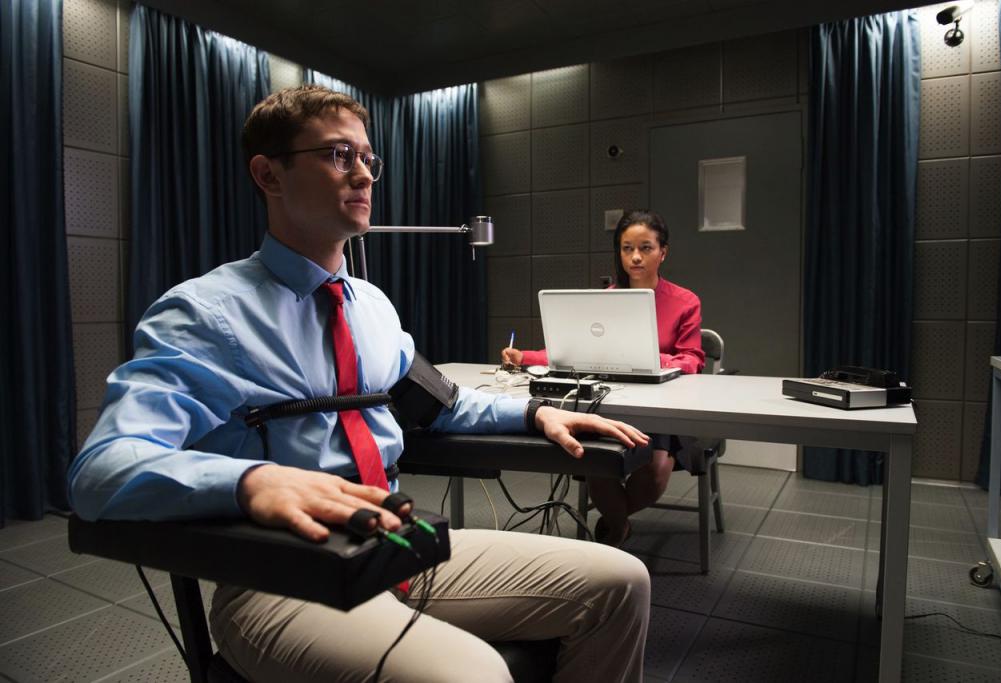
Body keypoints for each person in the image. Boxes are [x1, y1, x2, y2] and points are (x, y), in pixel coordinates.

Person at [67, 85, 652, 683]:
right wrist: (249, 482)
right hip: (280, 577)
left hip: (394, 546)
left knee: (621, 582)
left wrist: (535, 414)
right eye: (338, 155)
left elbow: (441, 403)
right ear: (269, 174)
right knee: (472, 676)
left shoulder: (372, 307)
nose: (364, 175)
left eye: (368, 159)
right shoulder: (205, 315)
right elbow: (101, 469)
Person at [503, 210, 705, 546]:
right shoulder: (605, 300)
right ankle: (618, 528)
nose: (635, 257)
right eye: (627, 248)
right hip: (611, 400)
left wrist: (651, 358)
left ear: (663, 252)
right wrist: (525, 358)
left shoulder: (685, 302)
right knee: (594, 461)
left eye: (645, 248)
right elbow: (573, 351)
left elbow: (693, 360)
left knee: (655, 473)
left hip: (662, 405)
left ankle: (614, 522)